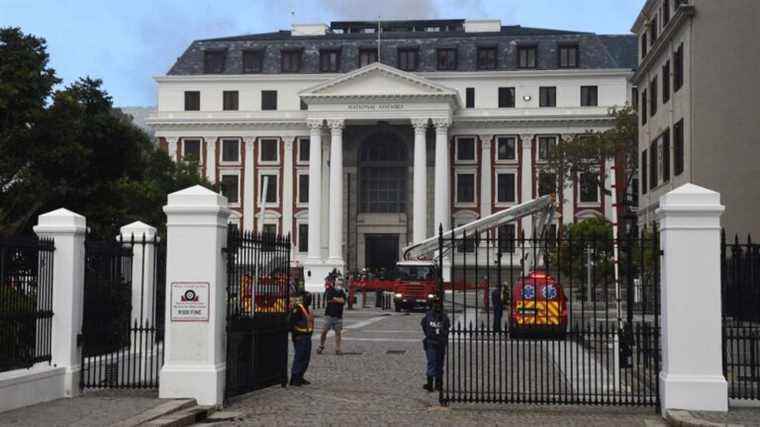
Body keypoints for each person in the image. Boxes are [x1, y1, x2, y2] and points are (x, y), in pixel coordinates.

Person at [421, 295, 450, 392]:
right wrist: (430, 335)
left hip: (440, 343)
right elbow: (424, 325)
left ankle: (438, 383)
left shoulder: (444, 316)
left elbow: (446, 329)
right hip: (431, 342)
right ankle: (430, 383)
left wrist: (442, 337)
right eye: (434, 303)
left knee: (439, 363)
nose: (436, 305)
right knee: (432, 362)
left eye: (437, 303)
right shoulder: (428, 315)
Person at [290, 292, 315, 386]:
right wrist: (296, 335)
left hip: (307, 336)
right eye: (308, 298)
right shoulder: (298, 309)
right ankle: (295, 378)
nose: (309, 300)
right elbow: (292, 323)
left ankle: (300, 376)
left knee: (306, 358)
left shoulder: (308, 309)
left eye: (310, 298)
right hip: (300, 336)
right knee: (299, 358)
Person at [317, 275, 346, 355]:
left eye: (341, 281)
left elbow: (343, 301)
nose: (340, 282)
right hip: (329, 315)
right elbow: (330, 299)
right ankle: (321, 345)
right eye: (339, 281)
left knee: (338, 333)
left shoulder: (342, 291)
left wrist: (336, 299)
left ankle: (338, 348)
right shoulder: (330, 290)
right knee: (324, 331)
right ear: (335, 282)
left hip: (338, 315)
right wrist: (338, 299)